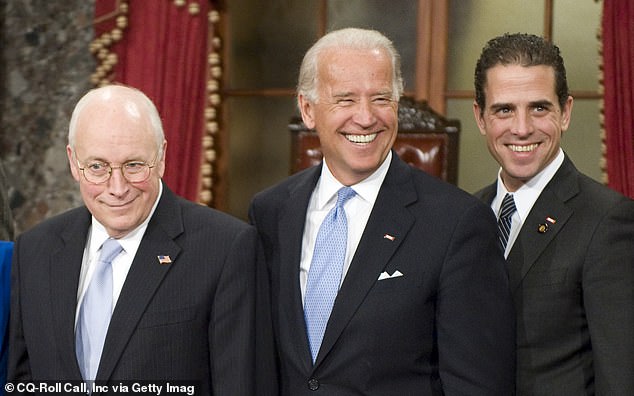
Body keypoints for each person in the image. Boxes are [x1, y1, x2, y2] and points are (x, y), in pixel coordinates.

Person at [249, 27, 515, 395]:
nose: (365, 117)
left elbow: (476, 384)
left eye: (380, 99)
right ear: (308, 110)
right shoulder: (270, 211)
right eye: (345, 99)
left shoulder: (457, 223)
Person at [8, 84, 268, 395]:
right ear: (72, 161)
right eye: (97, 167)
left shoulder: (225, 249)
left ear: (161, 158)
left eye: (133, 166)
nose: (117, 187)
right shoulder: (34, 250)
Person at [472, 32, 634, 395]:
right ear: (480, 118)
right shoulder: (467, 215)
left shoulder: (609, 221)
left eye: (539, 108)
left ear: (566, 112)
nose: (522, 128)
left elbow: (621, 374)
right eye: (504, 109)